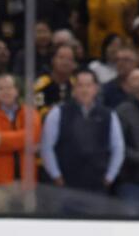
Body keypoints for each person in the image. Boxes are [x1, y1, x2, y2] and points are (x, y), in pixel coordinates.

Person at [41, 69, 126, 208]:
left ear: (96, 88)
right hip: (66, 183)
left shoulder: (108, 115)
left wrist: (110, 177)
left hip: (97, 184)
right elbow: (47, 146)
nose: (84, 90)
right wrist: (56, 175)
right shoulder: (58, 112)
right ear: (74, 89)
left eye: (88, 85)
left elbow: (118, 148)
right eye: (80, 85)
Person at [0, 73, 41, 214]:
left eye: (9, 88)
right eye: (0, 89)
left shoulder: (31, 112)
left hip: (27, 185)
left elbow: (34, 136)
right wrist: (22, 139)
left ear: (17, 90)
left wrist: (1, 139)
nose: (5, 92)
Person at [115, 68, 139, 216]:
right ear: (127, 86)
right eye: (135, 79)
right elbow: (118, 146)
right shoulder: (123, 111)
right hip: (133, 182)